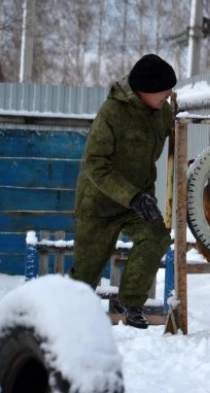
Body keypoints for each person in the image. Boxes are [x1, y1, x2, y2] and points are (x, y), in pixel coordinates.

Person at [69, 54, 177, 329]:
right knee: (85, 276)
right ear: (145, 90)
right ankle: (67, 322)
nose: (169, 95)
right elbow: (95, 164)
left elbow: (177, 136)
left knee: (156, 237)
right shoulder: (112, 113)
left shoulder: (163, 111)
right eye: (164, 91)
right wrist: (132, 196)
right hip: (100, 204)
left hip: (138, 200)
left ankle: (130, 304)